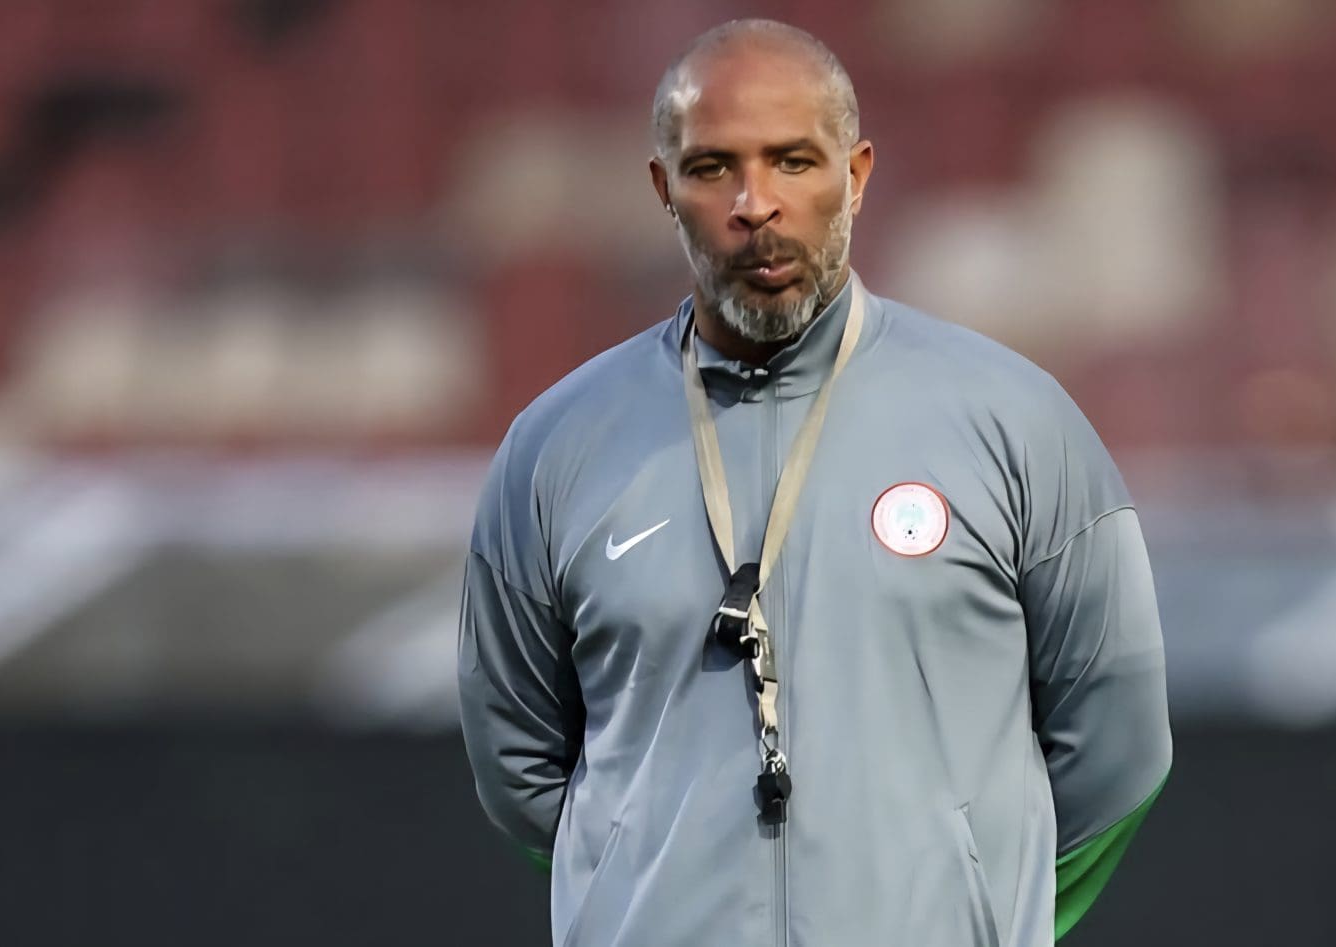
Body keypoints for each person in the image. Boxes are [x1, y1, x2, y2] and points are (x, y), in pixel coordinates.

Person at [456, 19, 1171, 947]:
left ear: (859, 174)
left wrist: (985, 910)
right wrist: (650, 889)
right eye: (715, 168)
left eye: (794, 161)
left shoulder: (1016, 424)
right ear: (663, 189)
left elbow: (1118, 745)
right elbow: (518, 765)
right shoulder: (554, 450)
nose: (757, 203)